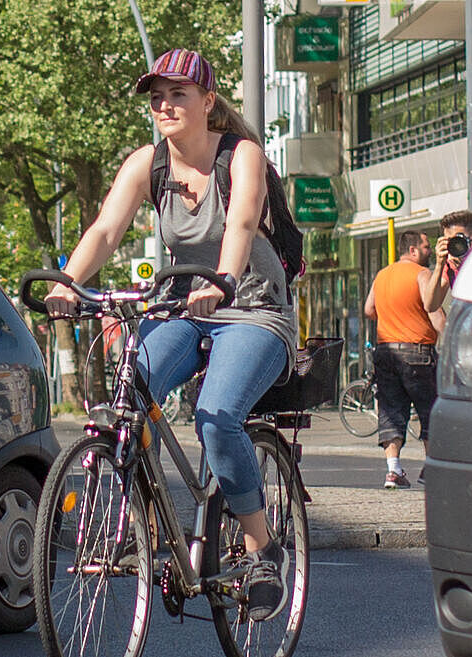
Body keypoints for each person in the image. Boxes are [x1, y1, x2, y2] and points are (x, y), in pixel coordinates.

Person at [44, 48, 295, 622]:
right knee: (131, 391)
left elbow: (242, 222)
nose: (164, 105)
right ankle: (150, 529)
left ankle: (260, 548)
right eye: (157, 96)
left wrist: (224, 280)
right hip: (184, 306)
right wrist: (68, 283)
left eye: (178, 93)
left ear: (208, 102)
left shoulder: (242, 156)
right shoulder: (147, 163)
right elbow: (106, 228)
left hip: (253, 309)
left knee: (216, 415)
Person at [363, 230, 440, 489]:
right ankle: (432, 468)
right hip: (417, 352)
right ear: (414, 251)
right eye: (426, 246)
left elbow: (368, 309)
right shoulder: (422, 274)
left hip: (385, 352)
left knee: (391, 410)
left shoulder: (382, 275)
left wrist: (391, 318)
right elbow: (436, 314)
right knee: (430, 410)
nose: (429, 251)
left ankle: (393, 470)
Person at [422, 209, 472, 332]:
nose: (456, 246)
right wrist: (439, 264)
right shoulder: (450, 266)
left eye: (459, 239)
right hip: (468, 334)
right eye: (450, 241)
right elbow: (430, 305)